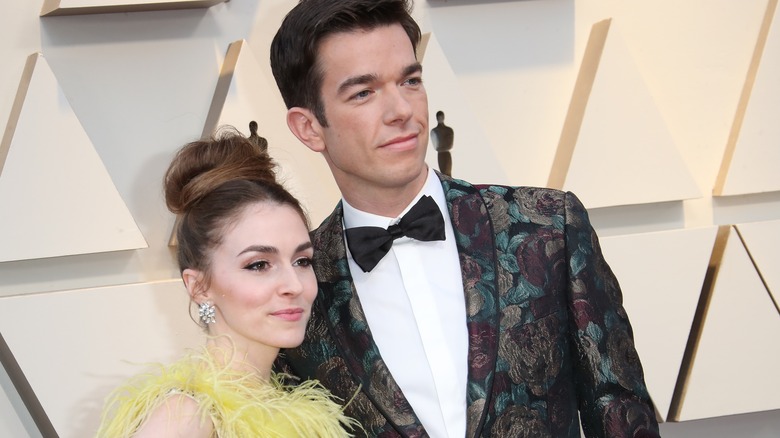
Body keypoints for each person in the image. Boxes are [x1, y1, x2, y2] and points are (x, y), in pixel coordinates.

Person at [270, 0, 660, 437]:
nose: (402, 110)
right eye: (363, 92)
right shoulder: (295, 285)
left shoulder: (549, 227)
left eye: (410, 80)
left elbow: (623, 416)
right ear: (309, 128)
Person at [97, 129, 358, 437]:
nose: (294, 285)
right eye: (259, 265)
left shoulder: (290, 410)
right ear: (198, 287)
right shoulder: (185, 416)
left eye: (302, 261)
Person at [430, 110, 454, 176]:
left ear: (443, 117)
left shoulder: (449, 130)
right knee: (443, 174)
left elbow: (450, 145)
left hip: (446, 153)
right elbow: (436, 147)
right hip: (440, 154)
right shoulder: (434, 131)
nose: (440, 119)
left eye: (441, 117)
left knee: (448, 173)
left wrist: (442, 147)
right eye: (439, 117)